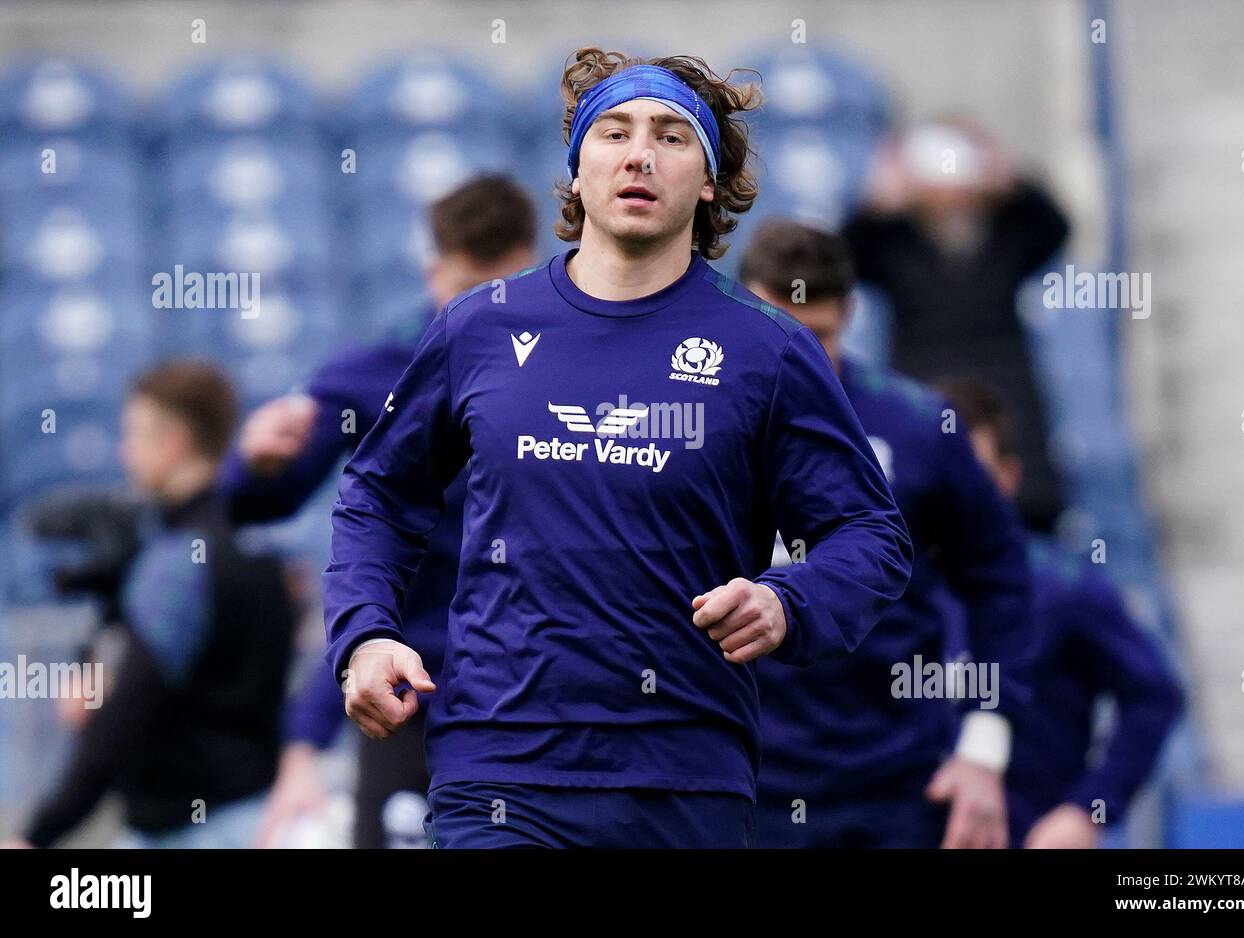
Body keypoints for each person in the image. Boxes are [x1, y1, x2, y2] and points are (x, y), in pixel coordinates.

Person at [323, 47, 913, 849]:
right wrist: (366, 631)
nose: (640, 153)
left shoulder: (767, 351)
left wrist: (789, 601)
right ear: (577, 170)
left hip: (684, 780)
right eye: (614, 132)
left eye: (672, 137)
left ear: (708, 181)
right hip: (500, 771)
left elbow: (871, 536)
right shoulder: (480, 325)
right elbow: (380, 494)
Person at [220, 175, 539, 849]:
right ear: (433, 273)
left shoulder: (574, 367)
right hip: (415, 696)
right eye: (465, 293)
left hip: (545, 695)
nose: (482, 317)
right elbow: (255, 503)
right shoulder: (379, 371)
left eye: (501, 296)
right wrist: (255, 462)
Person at [740, 219, 1033, 848]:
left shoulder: (923, 429)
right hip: (736, 778)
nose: (799, 356)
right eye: (778, 332)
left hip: (893, 780)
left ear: (848, 312)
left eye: (816, 335)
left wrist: (984, 748)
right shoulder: (692, 422)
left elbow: (1001, 580)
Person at [4, 361, 296, 849]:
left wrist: (37, 834)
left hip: (189, 832)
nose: (125, 451)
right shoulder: (259, 547)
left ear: (174, 442)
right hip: (256, 820)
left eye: (135, 435)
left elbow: (120, 721)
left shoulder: (179, 564)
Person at [937, 377, 1184, 848]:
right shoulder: (878, 584)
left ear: (1007, 478)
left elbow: (1153, 695)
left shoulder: (1064, 584)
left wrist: (1087, 811)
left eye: (976, 475)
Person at [841, 119, 1069, 532]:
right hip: (922, 392)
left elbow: (1055, 228)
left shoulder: (1009, 235)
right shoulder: (894, 242)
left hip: (1008, 401)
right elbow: (846, 255)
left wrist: (1010, 178)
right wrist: (877, 201)